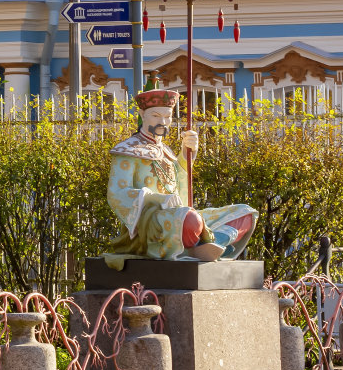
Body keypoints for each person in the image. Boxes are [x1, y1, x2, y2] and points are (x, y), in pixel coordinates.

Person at [104, 85, 256, 262]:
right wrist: (158, 198)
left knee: (245, 213)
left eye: (167, 116)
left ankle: (211, 244)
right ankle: (200, 247)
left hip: (180, 214)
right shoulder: (128, 150)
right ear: (141, 114)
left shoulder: (166, 151)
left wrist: (186, 154)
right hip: (153, 222)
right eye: (156, 115)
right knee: (191, 219)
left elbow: (179, 186)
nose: (163, 121)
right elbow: (116, 194)